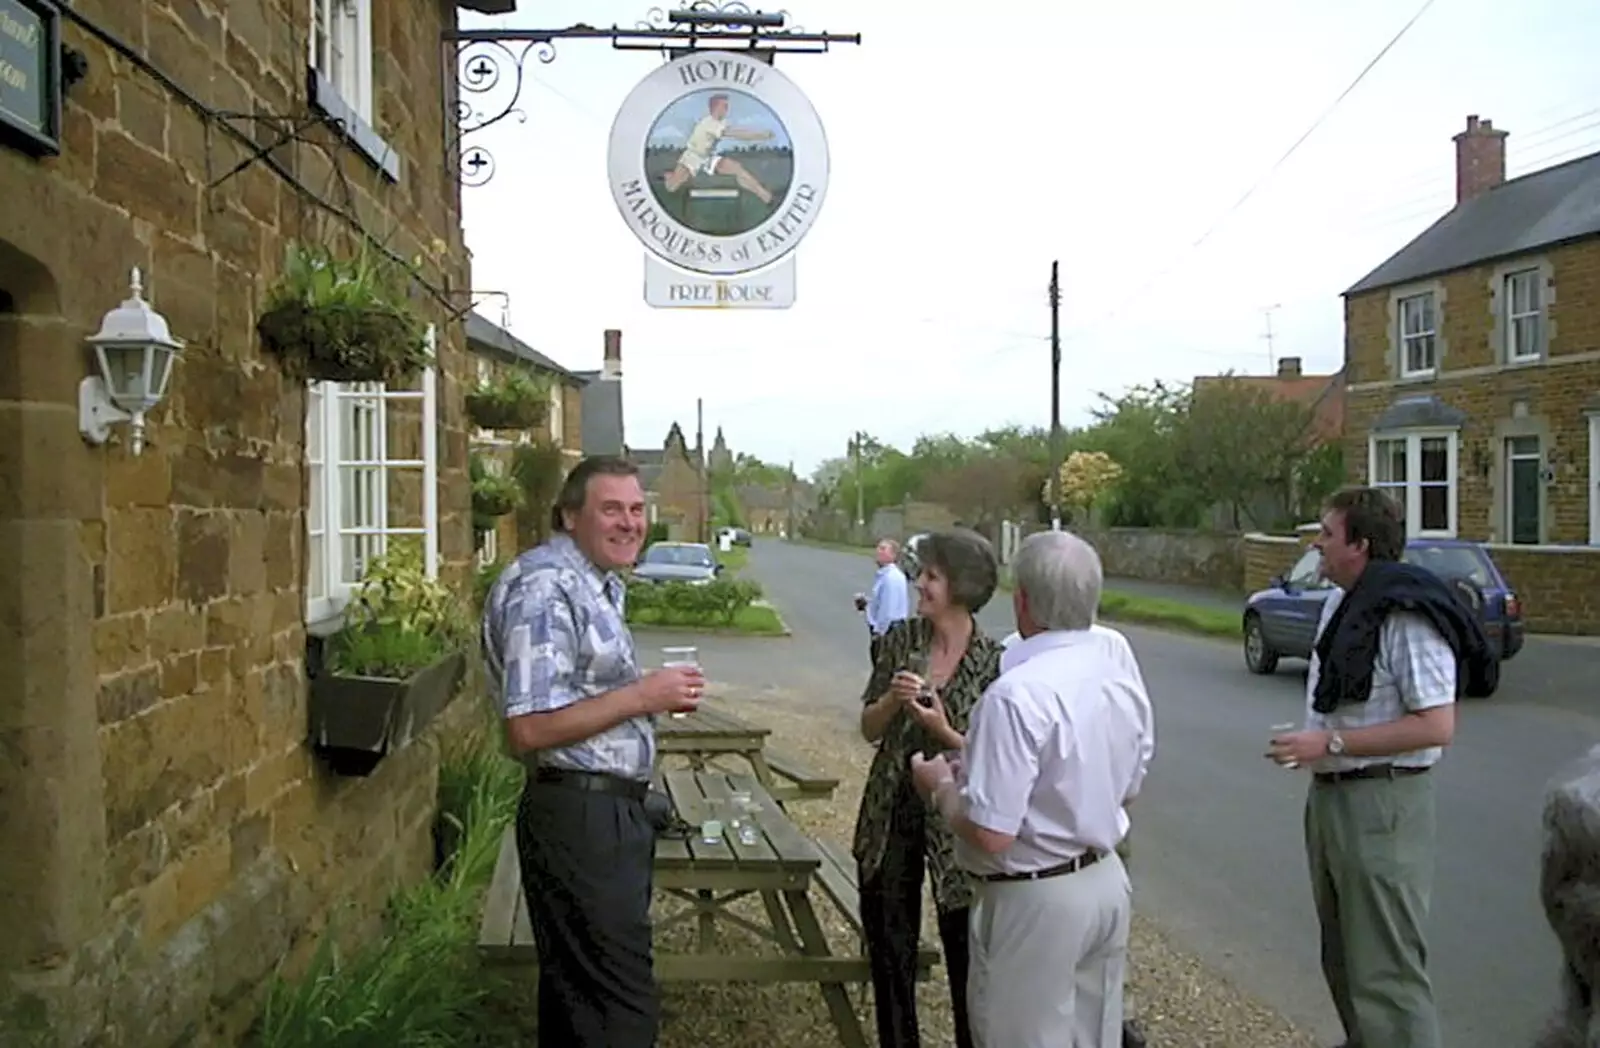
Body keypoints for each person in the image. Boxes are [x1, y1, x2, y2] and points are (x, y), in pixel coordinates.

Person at [481, 455, 706, 1048]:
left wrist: (644, 698)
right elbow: (527, 728)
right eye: (612, 509)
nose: (630, 522)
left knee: (582, 1012)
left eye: (637, 509)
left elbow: (580, 695)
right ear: (569, 516)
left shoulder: (593, 582)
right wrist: (642, 695)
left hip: (606, 814)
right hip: (580, 819)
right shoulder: (545, 588)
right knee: (620, 1016)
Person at [1268, 487, 1495, 1048]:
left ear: (1360, 545)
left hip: (1385, 803)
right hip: (1334, 799)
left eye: (1326, 534)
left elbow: (1436, 725)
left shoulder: (1405, 616)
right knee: (1345, 958)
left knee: (1387, 973)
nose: (1316, 544)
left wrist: (1332, 744)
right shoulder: (1339, 604)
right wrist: (1322, 751)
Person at [913, 529, 1155, 1047]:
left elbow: (992, 832)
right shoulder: (1117, 673)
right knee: (1093, 1036)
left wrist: (940, 788)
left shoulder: (1016, 695)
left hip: (1036, 895)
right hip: (1103, 879)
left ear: (1022, 601)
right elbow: (1128, 786)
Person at [853, 529, 1005, 1048]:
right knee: (890, 954)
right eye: (921, 573)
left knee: (966, 957)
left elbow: (991, 756)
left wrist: (943, 732)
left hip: (955, 817)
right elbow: (869, 729)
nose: (920, 584)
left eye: (932, 576)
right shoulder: (898, 639)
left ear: (961, 586)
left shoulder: (994, 661)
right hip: (889, 809)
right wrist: (892, 702)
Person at [660, 92, 777, 204]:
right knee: (671, 187)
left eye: (727, 106)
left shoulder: (721, 122)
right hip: (692, 158)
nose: (727, 109)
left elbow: (737, 132)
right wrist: (760, 135)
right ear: (715, 107)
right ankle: (668, 176)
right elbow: (737, 134)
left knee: (737, 168)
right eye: (724, 106)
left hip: (707, 158)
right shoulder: (709, 123)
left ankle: (766, 197)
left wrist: (759, 136)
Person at [857, 537, 912, 664]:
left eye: (883, 549)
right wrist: (866, 604)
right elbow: (881, 603)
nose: (878, 551)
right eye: (878, 548)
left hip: (888, 634)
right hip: (890, 632)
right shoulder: (888, 575)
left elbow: (889, 610)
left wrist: (879, 634)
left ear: (893, 555)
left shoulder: (890, 578)